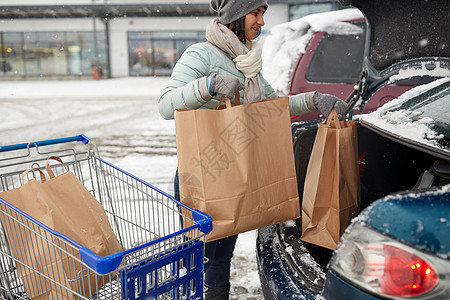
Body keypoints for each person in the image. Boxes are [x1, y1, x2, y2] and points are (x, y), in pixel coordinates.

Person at [158, 0, 348, 298]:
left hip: (236, 172)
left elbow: (269, 109)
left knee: (221, 260)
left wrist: (313, 100)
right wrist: (209, 84)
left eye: (263, 14)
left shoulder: (247, 61)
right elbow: (166, 105)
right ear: (234, 16)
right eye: (255, 14)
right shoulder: (201, 54)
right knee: (200, 260)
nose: (261, 22)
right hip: (205, 173)